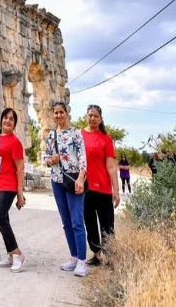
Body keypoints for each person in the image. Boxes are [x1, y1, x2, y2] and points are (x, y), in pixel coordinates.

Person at [44, 100, 88, 278]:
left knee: (77, 221)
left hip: (73, 180)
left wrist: (81, 178)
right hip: (57, 181)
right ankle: (74, 257)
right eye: (56, 113)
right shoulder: (51, 135)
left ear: (67, 113)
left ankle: (83, 262)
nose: (59, 115)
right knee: (66, 222)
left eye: (61, 112)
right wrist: (51, 160)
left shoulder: (76, 133)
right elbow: (46, 159)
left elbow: (83, 157)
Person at [0, 108, 27, 273]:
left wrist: (19, 194)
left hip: (7, 185)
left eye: (11, 119)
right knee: (4, 219)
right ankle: (10, 254)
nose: (8, 121)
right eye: (6, 117)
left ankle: (18, 254)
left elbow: (20, 168)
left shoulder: (15, 142)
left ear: (14, 123)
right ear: (1, 119)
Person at [81, 105, 120, 267]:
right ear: (86, 116)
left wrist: (116, 189)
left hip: (103, 188)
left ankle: (110, 257)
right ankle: (97, 255)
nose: (92, 118)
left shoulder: (106, 138)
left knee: (107, 225)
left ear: (101, 119)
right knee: (90, 223)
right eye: (90, 115)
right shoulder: (79, 135)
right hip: (86, 188)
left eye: (96, 116)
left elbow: (111, 166)